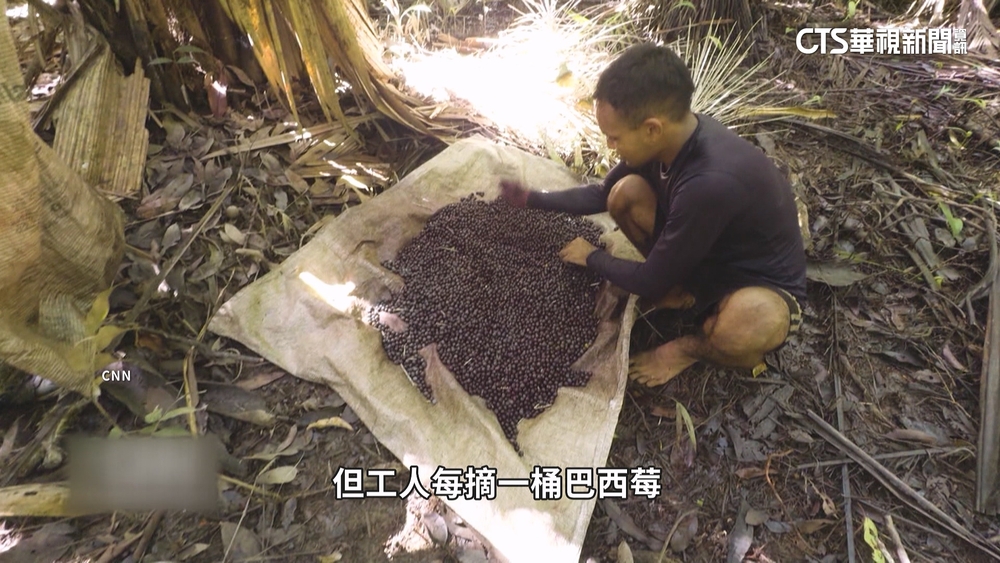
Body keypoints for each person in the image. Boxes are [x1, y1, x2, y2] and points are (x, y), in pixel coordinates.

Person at [498, 43, 807, 387]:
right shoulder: (672, 138)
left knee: (747, 321)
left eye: (614, 138)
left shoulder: (708, 182)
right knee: (624, 194)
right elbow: (601, 194)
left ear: (651, 129)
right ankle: (682, 291)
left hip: (757, 283)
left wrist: (592, 257)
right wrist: (532, 200)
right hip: (706, 253)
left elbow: (648, 281)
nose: (610, 146)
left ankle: (684, 350)